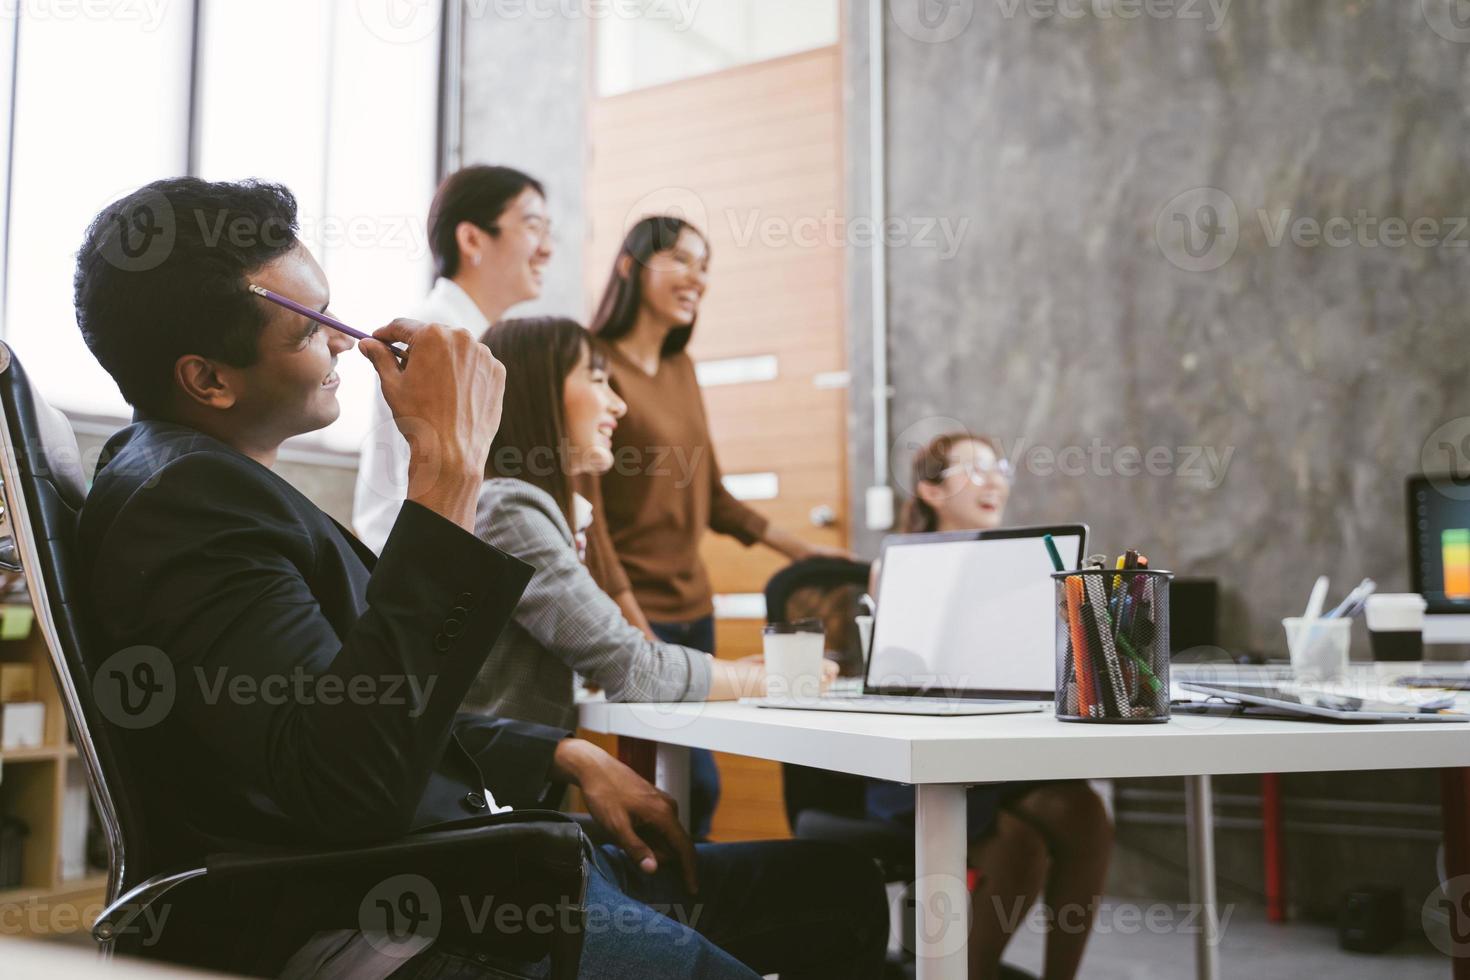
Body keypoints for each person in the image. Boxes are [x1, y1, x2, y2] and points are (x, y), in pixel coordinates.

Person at [72, 177, 889, 980]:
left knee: (840, 889)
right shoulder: (189, 506)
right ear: (208, 379)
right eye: (310, 331)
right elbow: (345, 783)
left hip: (466, 853)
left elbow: (348, 710)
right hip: (396, 913)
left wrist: (562, 752)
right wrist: (449, 473)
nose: (347, 343)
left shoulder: (222, 488)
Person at [584, 215, 850, 837]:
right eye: (680, 259)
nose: (696, 277)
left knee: (694, 791)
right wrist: (633, 630)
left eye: (704, 265)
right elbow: (587, 514)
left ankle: (679, 919)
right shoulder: (593, 364)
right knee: (662, 787)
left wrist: (804, 550)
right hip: (632, 613)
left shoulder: (682, 369)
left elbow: (714, 496)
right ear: (629, 266)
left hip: (691, 609)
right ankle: (639, 923)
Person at [468, 317, 841, 727]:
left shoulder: (525, 507)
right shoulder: (509, 511)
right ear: (538, 391)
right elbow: (635, 670)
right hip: (497, 788)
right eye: (597, 381)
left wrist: (734, 673)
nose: (618, 404)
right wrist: (763, 678)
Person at [869, 431, 1113, 980]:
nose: (993, 480)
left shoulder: (1025, 569)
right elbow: (901, 676)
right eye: (973, 470)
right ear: (931, 493)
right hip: (923, 749)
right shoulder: (900, 568)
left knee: (1086, 813)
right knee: (1019, 844)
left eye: (998, 468)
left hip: (999, 745)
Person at [354, 164, 555, 554]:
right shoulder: (435, 339)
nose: (547, 249)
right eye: (533, 227)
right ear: (472, 239)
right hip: (424, 562)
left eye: (549, 231)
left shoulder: (480, 340)